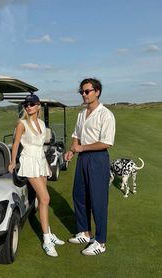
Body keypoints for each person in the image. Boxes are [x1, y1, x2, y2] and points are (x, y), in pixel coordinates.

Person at [8, 94, 65, 257]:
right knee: (46, 198)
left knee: (42, 201)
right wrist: (12, 162)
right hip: (29, 163)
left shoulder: (41, 123)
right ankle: (47, 240)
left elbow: (41, 146)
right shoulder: (22, 123)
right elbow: (16, 144)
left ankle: (48, 232)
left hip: (40, 162)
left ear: (38, 106)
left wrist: (46, 165)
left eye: (32, 104)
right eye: (26, 104)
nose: (28, 107)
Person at [65, 78, 115, 256]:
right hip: (82, 159)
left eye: (87, 91)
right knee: (79, 195)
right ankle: (85, 233)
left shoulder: (106, 114)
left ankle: (100, 242)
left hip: (98, 158)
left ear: (97, 92)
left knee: (98, 200)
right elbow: (76, 135)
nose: (84, 95)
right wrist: (72, 150)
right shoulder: (81, 114)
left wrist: (81, 148)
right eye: (82, 92)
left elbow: (106, 143)